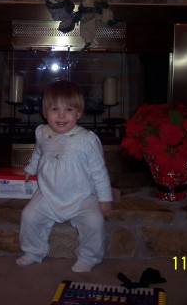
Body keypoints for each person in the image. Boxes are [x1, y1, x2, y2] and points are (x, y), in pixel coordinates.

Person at [16, 80, 113, 273]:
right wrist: (30, 169)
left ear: (78, 113)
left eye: (68, 110)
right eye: (54, 109)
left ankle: (89, 256)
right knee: (29, 216)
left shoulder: (87, 140)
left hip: (82, 196)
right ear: (45, 113)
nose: (61, 115)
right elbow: (38, 153)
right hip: (48, 193)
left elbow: (99, 172)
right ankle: (34, 250)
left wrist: (105, 199)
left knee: (94, 222)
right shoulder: (42, 133)